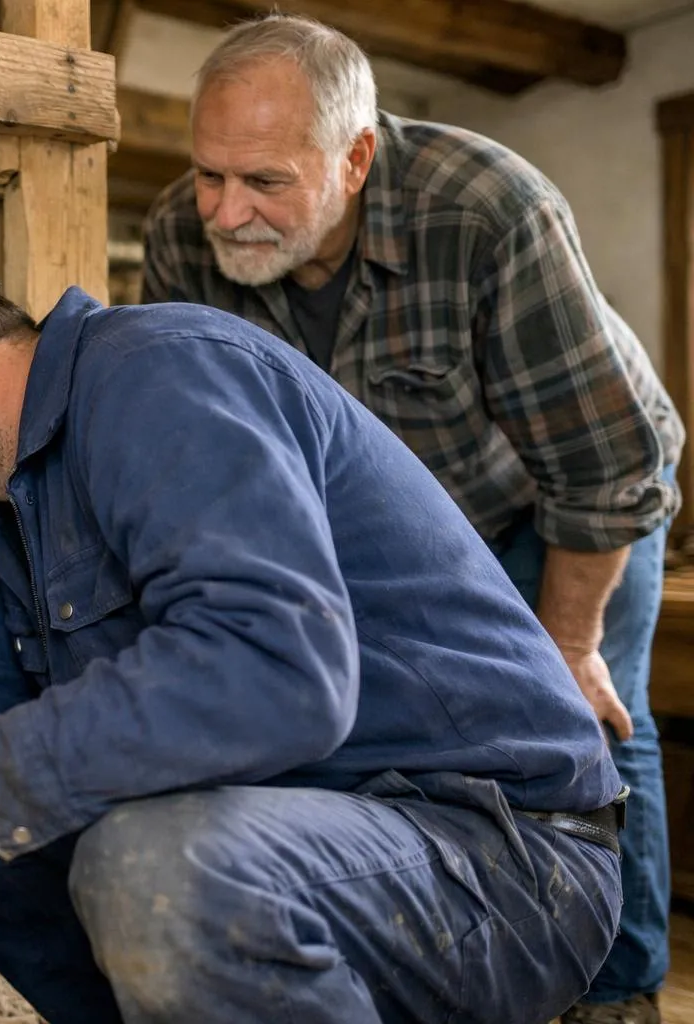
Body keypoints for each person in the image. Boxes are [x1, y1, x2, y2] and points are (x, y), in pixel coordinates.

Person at [0, 234, 626, 1023]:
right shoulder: (21, 508)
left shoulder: (157, 376)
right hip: (326, 838)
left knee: (147, 860)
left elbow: (278, 667)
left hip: (504, 857)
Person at [138, 16, 684, 1023]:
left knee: (590, 728)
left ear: (355, 159)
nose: (224, 211)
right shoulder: (182, 234)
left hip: (562, 500)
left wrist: (569, 640)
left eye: (264, 183)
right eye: (210, 174)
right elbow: (197, 443)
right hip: (395, 533)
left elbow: (605, 465)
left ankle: (621, 990)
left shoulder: (487, 209)